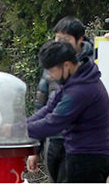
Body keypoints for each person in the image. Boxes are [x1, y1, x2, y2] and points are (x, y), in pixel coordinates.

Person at [25, 41, 109, 183]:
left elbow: (53, 122)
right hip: (78, 154)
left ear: (66, 65)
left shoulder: (80, 89)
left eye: (52, 71)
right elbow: (48, 109)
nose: (50, 76)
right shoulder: (72, 81)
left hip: (89, 159)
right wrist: (20, 126)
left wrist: (17, 131)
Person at [32, 16, 95, 182]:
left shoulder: (92, 62)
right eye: (58, 39)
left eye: (65, 40)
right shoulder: (51, 62)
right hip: (54, 140)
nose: (61, 44)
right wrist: (35, 149)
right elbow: (40, 106)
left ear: (80, 39)